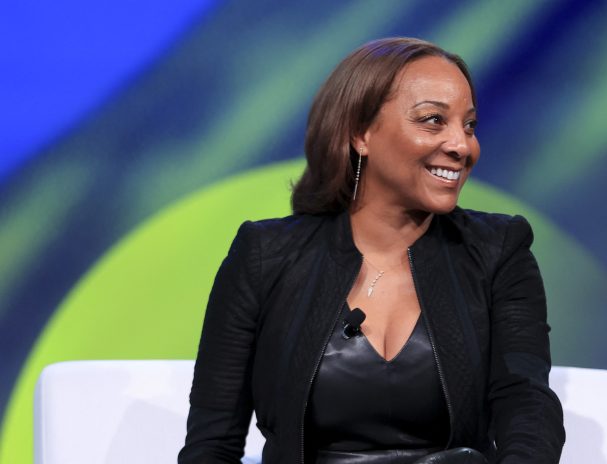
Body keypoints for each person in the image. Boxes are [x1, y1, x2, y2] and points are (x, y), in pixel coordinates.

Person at [178, 37, 565, 464]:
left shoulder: (498, 250)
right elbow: (212, 445)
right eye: (433, 120)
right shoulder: (264, 256)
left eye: (469, 125)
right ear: (360, 133)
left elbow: (526, 404)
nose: (462, 145)